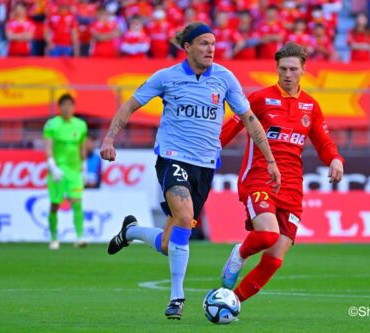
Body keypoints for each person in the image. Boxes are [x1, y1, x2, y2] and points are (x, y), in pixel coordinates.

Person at [99, 22, 281, 320]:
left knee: (170, 243)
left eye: (213, 43)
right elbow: (129, 106)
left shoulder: (224, 78)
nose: (211, 48)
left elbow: (248, 118)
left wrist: (270, 160)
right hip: (172, 158)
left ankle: (130, 231)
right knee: (184, 216)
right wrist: (109, 138)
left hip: (205, 165)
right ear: (187, 47)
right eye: (204, 43)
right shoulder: (166, 77)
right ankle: (176, 297)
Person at [219, 42, 344, 303]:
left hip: (292, 187)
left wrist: (334, 159)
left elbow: (323, 141)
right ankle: (239, 255)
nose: (288, 74)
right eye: (283, 69)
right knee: (266, 235)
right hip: (260, 176)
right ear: (276, 69)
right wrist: (210, 150)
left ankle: (231, 303)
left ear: (303, 70)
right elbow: (231, 127)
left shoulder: (311, 105)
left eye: (293, 69)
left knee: (275, 259)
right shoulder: (260, 99)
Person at [43, 93, 88, 250]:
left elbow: (82, 147)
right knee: (55, 204)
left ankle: (80, 237)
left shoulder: (81, 125)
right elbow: (48, 147)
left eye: (70, 105)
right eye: (65, 105)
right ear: (59, 107)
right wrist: (52, 166)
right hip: (58, 171)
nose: (68, 108)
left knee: (77, 202)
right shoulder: (52, 125)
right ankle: (54, 238)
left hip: (75, 171)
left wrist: (84, 166)